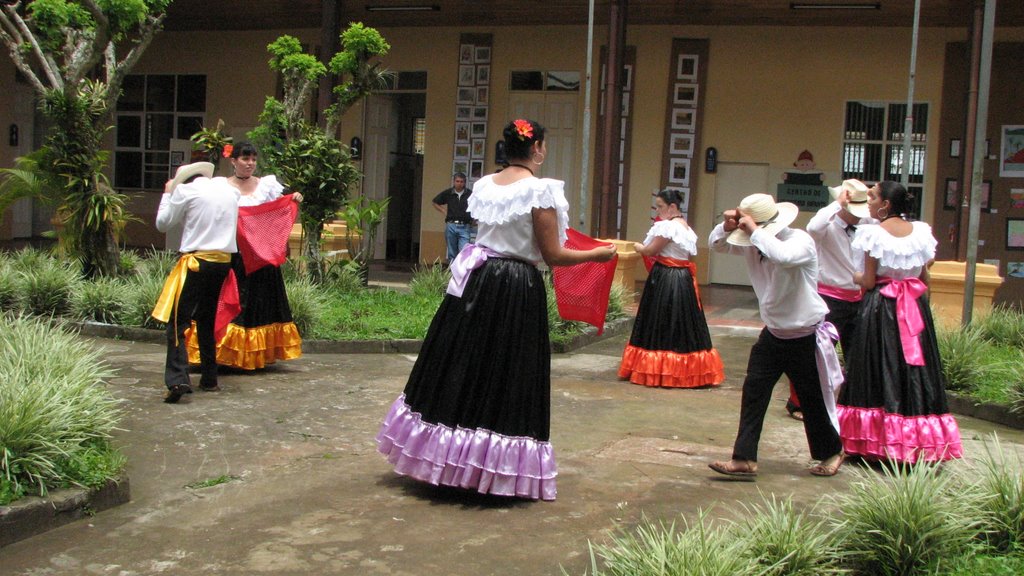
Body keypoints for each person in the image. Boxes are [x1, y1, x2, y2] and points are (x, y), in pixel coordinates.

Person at [376, 119, 617, 500]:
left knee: (463, 363)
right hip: (516, 286)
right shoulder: (540, 191)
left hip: (479, 278)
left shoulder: (486, 184)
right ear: (537, 148)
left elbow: (485, 232)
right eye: (543, 145)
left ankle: (450, 460)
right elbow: (552, 254)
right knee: (507, 371)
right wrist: (598, 254)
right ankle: (492, 469)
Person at [707, 193, 845, 478]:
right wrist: (726, 226)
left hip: (803, 334)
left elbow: (782, 256)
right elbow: (715, 244)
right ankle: (744, 458)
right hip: (773, 334)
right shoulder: (753, 244)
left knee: (812, 398)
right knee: (754, 392)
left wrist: (754, 231)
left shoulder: (800, 241)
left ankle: (832, 451)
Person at [837, 181, 963, 463]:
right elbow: (923, 277)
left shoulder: (872, 235)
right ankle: (918, 442)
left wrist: (854, 277)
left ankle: (876, 444)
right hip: (914, 308)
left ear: (885, 205)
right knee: (913, 370)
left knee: (877, 368)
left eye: (872, 196)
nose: (868, 201)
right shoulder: (921, 232)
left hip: (882, 307)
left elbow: (869, 280)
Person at [184, 142, 303, 370]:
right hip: (233, 253)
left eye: (253, 159)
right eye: (245, 159)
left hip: (261, 256)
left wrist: (293, 198)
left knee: (259, 304)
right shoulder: (222, 187)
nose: (250, 164)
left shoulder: (267, 186)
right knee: (228, 300)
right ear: (233, 161)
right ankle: (221, 353)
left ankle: (252, 356)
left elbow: (282, 206)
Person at [785, 178, 874, 420]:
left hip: (859, 297)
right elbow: (813, 227)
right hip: (829, 298)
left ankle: (848, 404)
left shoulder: (867, 224)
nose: (859, 216)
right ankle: (799, 403)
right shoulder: (827, 226)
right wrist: (837, 205)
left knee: (857, 355)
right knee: (819, 354)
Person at [618, 188, 724, 388]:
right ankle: (686, 370)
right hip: (682, 278)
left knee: (662, 320)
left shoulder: (668, 227)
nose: (658, 211)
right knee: (682, 321)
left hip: (667, 276)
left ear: (672, 207)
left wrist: (638, 247)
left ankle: (661, 370)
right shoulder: (686, 227)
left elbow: (651, 250)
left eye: (660, 207)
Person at [153, 162, 240, 403]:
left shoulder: (185, 191)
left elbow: (162, 224)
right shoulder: (228, 191)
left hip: (197, 262)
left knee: (178, 321)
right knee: (206, 317)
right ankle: (209, 378)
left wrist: (168, 194)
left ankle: (177, 379)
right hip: (222, 263)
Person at [432, 172, 474, 263]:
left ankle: (462, 274)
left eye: (462, 181)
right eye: (457, 181)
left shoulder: (470, 194)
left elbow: (476, 206)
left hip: (465, 226)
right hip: (451, 225)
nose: (459, 183)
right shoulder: (448, 193)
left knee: (464, 251)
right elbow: (435, 202)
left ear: (465, 183)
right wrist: (444, 211)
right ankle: (452, 273)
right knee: (452, 252)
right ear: (454, 182)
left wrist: (474, 218)